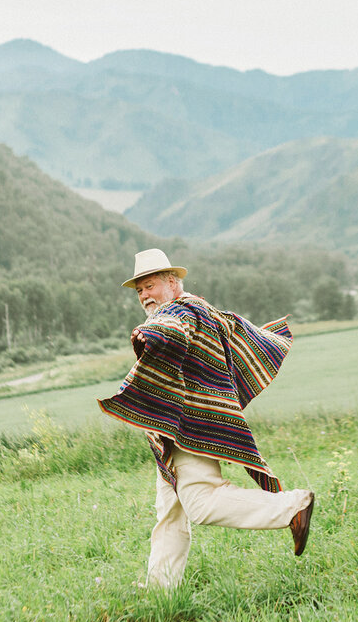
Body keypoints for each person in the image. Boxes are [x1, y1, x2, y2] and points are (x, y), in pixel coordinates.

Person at [99, 249, 315, 588]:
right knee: (170, 512)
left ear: (171, 283)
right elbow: (227, 331)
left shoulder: (178, 311)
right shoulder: (199, 308)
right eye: (139, 290)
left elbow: (171, 331)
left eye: (150, 286)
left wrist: (149, 336)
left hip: (188, 427)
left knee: (200, 503)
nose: (144, 296)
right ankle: (161, 593)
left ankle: (292, 507)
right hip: (176, 429)